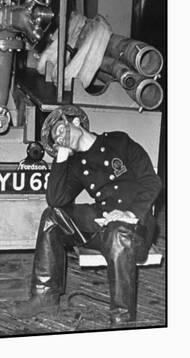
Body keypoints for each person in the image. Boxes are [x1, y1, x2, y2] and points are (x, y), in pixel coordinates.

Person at [12, 105, 161, 326]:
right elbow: (56, 200)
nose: (60, 137)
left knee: (118, 232)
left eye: (61, 130)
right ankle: (45, 296)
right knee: (52, 217)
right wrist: (61, 157)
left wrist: (129, 213)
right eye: (56, 138)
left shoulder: (118, 142)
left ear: (75, 122)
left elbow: (152, 182)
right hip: (104, 223)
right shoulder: (75, 164)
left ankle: (122, 319)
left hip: (135, 228)